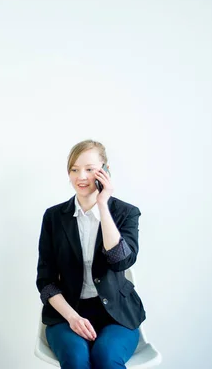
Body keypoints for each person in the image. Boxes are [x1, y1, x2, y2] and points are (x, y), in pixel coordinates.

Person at [36, 139, 146, 369]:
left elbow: (120, 261)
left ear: (105, 171)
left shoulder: (126, 213)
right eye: (74, 170)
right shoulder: (54, 217)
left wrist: (103, 205)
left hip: (118, 313)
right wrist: (72, 317)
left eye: (89, 169)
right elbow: (45, 281)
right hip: (68, 313)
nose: (81, 177)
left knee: (106, 357)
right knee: (76, 359)